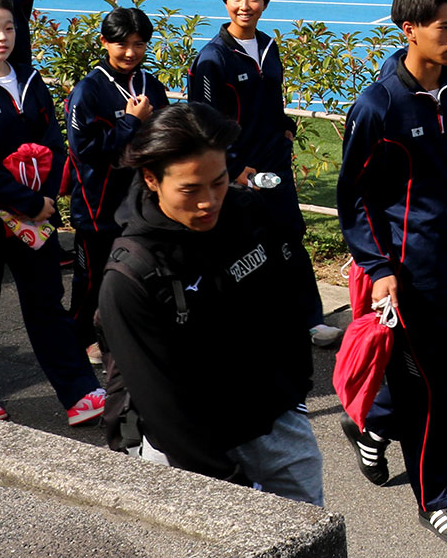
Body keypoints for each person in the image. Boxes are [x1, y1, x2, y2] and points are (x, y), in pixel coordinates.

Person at [338, 0, 447, 544]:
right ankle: (438, 501)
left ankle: (372, 424)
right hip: (409, 275)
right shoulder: (379, 104)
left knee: (441, 374)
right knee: (429, 391)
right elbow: (354, 197)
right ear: (409, 30)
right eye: (445, 28)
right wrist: (380, 269)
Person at [99, 102, 323, 505]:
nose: (208, 202)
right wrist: (227, 485)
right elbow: (161, 404)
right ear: (151, 179)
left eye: (218, 182)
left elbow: (286, 307)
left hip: (277, 425)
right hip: (190, 456)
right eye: (190, 189)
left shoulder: (247, 214)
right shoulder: (130, 277)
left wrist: (294, 394)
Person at [0, 0, 105, 424]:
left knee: (46, 302)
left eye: (9, 27)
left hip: (36, 218)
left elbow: (53, 144)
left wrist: (45, 199)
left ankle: (81, 393)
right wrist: (28, 202)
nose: (2, 37)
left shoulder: (31, 82)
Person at [187, 0, 334, 346]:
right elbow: (202, 122)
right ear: (225, 1)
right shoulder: (212, 58)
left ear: (265, 2)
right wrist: (233, 169)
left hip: (274, 162)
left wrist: (286, 129)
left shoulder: (268, 47)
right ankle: (238, 325)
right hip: (236, 171)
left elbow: (274, 99)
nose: (244, 6)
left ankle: (309, 321)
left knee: (289, 234)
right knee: (238, 245)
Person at [66, 7, 170, 363]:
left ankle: (126, 331)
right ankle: (82, 339)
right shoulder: (88, 91)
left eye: (139, 44)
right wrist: (129, 122)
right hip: (98, 207)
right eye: (121, 44)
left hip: (141, 203)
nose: (130, 52)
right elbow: (87, 151)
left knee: (141, 272)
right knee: (92, 279)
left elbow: (164, 140)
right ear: (104, 43)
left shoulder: (150, 86)